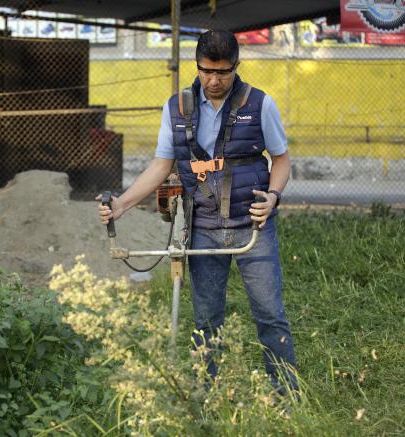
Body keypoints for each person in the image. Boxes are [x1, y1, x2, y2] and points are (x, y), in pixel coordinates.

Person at [98, 30, 297, 391]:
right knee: (206, 318)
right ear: (197, 66)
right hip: (203, 224)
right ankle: (204, 396)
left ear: (236, 66)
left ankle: (287, 394)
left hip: (252, 224)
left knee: (270, 314)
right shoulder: (176, 107)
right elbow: (162, 165)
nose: (214, 80)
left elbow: (281, 160)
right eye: (207, 71)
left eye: (223, 72)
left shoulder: (260, 104)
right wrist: (122, 204)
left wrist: (273, 196)